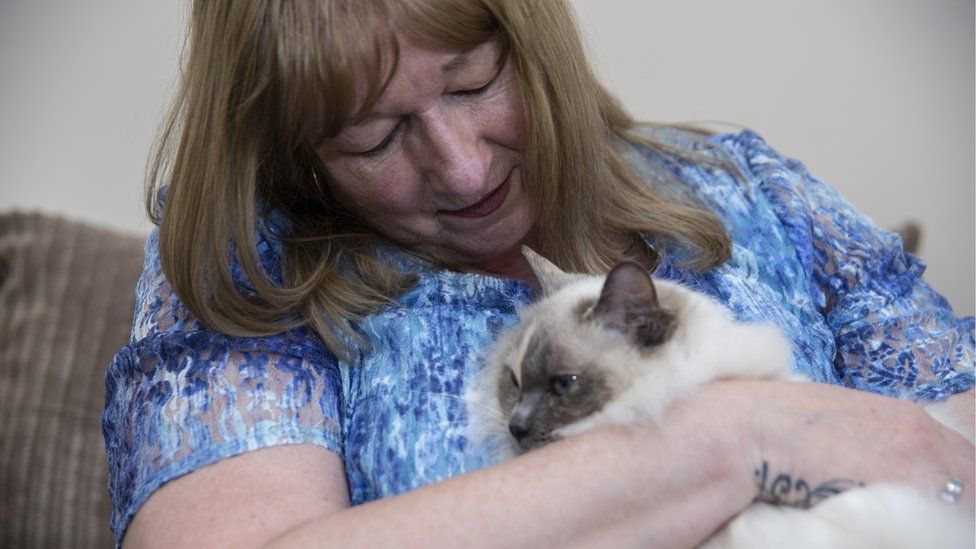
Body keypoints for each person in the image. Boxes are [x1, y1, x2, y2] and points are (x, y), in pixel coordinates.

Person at [103, 0, 975, 547]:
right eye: (373, 138)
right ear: (304, 154)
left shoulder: (754, 188)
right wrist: (733, 439)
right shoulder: (255, 265)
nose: (463, 170)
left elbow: (953, 428)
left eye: (475, 82)